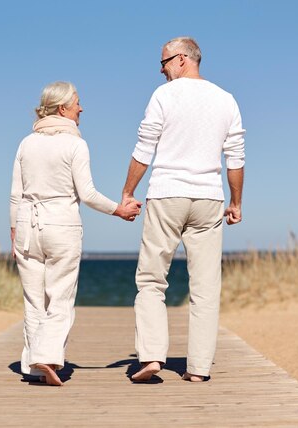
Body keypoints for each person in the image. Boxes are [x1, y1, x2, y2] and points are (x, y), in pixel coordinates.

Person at [121, 37, 245, 382]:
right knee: (206, 287)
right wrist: (236, 201)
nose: (160, 70)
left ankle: (150, 356)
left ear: (181, 60)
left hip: (167, 194)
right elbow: (235, 157)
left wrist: (128, 191)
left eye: (163, 62)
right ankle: (199, 369)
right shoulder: (226, 99)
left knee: (150, 279)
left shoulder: (164, 96)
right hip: (209, 198)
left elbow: (144, 147)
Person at [10, 81, 141, 386]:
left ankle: (32, 366)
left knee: (33, 301)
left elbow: (16, 195)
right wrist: (119, 211)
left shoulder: (26, 143)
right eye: (77, 103)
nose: (81, 108)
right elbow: (88, 194)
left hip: (27, 226)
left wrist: (14, 232)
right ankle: (47, 356)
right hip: (62, 227)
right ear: (62, 108)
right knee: (60, 298)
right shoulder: (75, 144)